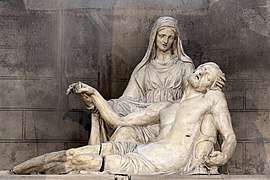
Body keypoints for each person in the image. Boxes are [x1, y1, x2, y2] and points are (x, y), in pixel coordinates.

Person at [12, 62, 236, 175]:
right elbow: (118, 120)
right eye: (201, 68)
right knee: (72, 153)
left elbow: (229, 136)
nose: (200, 72)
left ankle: (37, 177)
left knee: (79, 162)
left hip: (163, 160)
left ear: (212, 85)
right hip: (143, 148)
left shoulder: (213, 99)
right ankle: (15, 173)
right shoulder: (165, 107)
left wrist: (223, 156)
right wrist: (95, 95)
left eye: (207, 74)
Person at [74, 16, 194, 145]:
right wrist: (96, 102)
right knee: (123, 134)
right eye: (162, 35)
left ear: (175, 40)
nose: (165, 40)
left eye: (170, 37)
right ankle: (104, 163)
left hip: (171, 122)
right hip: (145, 121)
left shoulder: (185, 66)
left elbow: (194, 97)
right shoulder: (144, 69)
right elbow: (127, 101)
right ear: (154, 37)